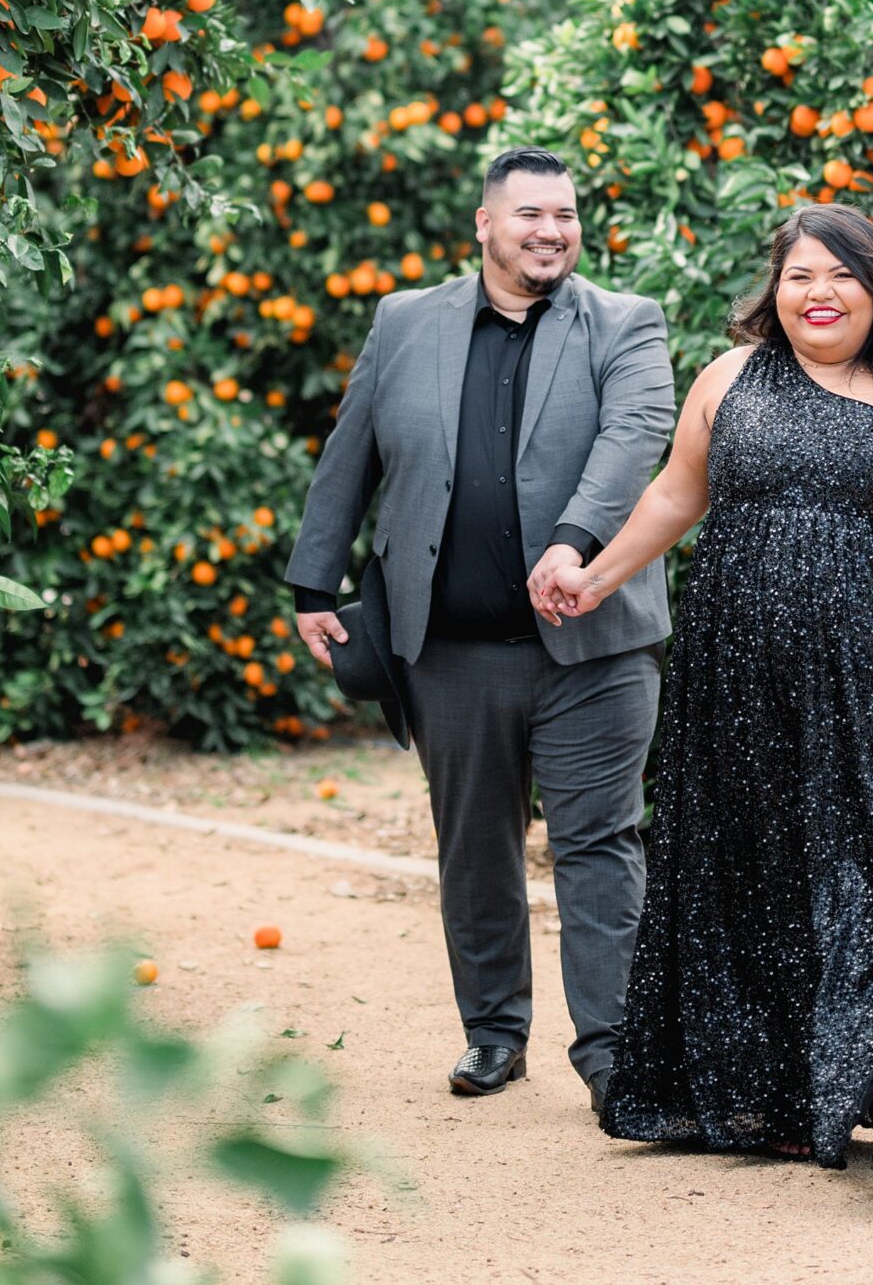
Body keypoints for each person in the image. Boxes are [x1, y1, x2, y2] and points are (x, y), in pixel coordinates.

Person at [531, 203, 873, 1181]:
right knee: (758, 865)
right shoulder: (725, 380)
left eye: (840, 274)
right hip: (742, 672)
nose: (819, 293)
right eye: (800, 274)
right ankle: (774, 1089)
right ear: (774, 289)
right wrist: (594, 575)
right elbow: (677, 495)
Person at [288, 147, 674, 1113]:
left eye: (566, 215)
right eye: (530, 215)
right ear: (484, 225)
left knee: (599, 845)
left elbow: (635, 440)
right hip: (450, 653)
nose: (551, 231)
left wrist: (576, 540)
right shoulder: (404, 322)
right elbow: (350, 455)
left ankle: (613, 1052)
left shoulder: (626, 324)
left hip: (596, 647)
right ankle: (493, 1034)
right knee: (474, 848)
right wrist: (310, 584)